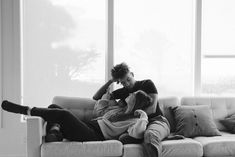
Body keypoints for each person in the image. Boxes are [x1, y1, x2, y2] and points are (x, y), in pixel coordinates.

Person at [1, 90, 152, 142]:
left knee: (64, 115)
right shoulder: (120, 109)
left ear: (136, 101)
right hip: (90, 125)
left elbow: (137, 133)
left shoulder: (136, 119)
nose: (130, 94)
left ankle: (26, 110)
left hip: (95, 135)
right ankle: (55, 132)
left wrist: (144, 117)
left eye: (133, 94)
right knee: (54, 107)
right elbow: (99, 113)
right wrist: (106, 99)